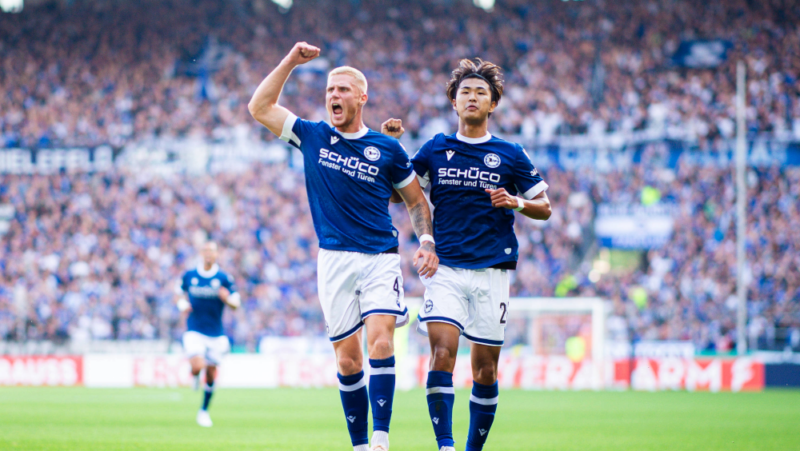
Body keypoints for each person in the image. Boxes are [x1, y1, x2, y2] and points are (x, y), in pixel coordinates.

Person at [248, 42, 438, 451]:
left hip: (379, 257)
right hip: (333, 260)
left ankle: (381, 438)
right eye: (330, 90)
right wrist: (290, 62)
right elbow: (259, 108)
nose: (333, 96)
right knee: (348, 361)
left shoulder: (387, 148)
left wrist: (426, 241)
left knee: (381, 342)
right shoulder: (313, 135)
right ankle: (359, 445)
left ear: (362, 98)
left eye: (343, 90)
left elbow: (414, 201)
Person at [381, 59, 552, 451]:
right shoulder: (435, 148)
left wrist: (516, 202)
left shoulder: (510, 153)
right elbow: (397, 195)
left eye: (481, 92)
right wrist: (391, 149)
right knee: (442, 353)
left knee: (485, 369)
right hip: (446, 268)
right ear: (454, 102)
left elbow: (545, 207)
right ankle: (446, 445)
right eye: (465, 92)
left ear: (493, 104)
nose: (472, 97)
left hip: (492, 270)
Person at [175, 241, 241, 428]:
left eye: (212, 251)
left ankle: (203, 411)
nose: (208, 253)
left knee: (211, 375)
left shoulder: (224, 277)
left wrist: (227, 299)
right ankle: (195, 374)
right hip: (194, 330)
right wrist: (181, 304)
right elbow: (178, 293)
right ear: (201, 253)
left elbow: (236, 303)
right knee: (198, 365)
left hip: (215, 333)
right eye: (205, 250)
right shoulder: (190, 275)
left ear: (217, 254)